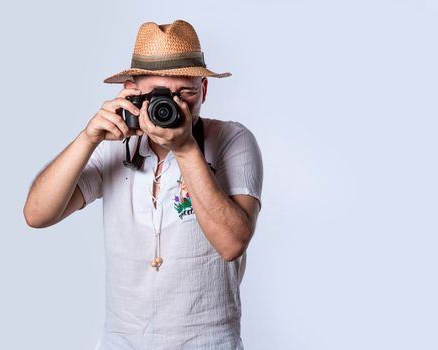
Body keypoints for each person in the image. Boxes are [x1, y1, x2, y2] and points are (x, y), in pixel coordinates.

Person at [23, 19, 263, 349]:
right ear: (133, 93)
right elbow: (37, 214)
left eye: (185, 94)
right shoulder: (114, 143)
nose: (173, 107)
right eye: (158, 96)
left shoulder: (232, 140)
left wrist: (186, 149)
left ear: (204, 91)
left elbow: (232, 244)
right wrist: (88, 137)